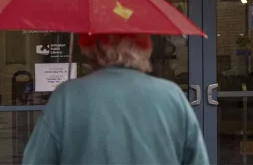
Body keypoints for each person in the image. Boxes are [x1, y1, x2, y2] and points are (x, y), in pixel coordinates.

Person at [22, 33, 209, 165]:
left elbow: (37, 159)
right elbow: (196, 160)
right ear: (145, 49)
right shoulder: (172, 95)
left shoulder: (67, 96)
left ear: (92, 49)